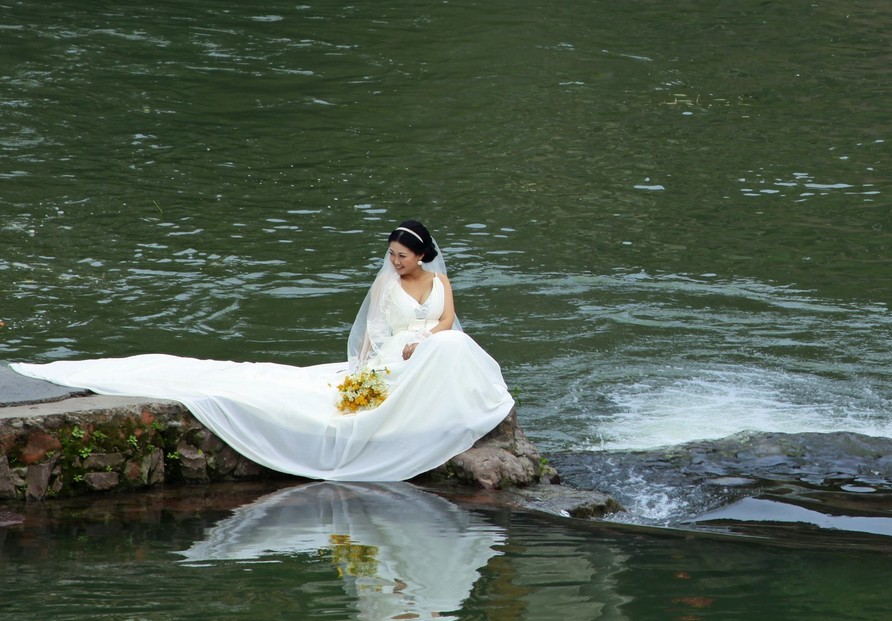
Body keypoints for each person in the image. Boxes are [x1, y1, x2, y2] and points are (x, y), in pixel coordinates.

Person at [9, 221, 515, 482]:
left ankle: (461, 403)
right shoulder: (387, 286)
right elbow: (372, 333)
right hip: (392, 357)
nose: (395, 262)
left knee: (453, 345)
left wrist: (428, 339)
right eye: (391, 255)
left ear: (423, 255)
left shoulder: (441, 280)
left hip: (429, 347)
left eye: (402, 256)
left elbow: (447, 320)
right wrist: (370, 363)